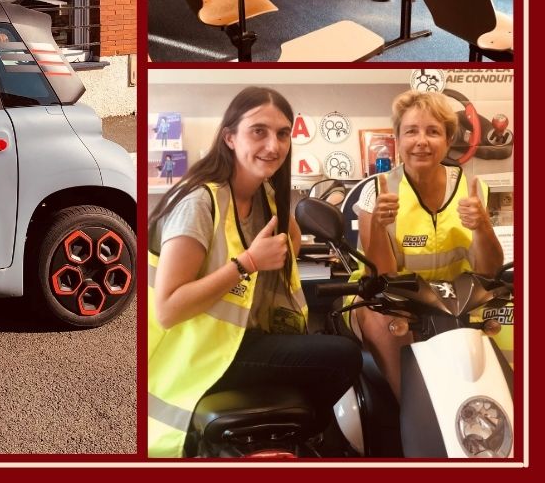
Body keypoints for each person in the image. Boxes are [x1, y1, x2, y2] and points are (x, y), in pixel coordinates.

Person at [147, 87, 362, 458]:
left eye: (282, 134)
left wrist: (282, 201)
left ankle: (286, 443)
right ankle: (306, 443)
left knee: (331, 348)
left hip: (238, 343)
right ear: (230, 137)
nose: (274, 145)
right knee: (343, 354)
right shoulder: (199, 201)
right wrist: (246, 263)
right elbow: (168, 308)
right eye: (258, 131)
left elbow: (288, 251)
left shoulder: (263, 196)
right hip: (197, 356)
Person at [351, 90, 504, 399]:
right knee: (386, 321)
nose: (421, 140)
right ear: (398, 139)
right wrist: (379, 227)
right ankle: (413, 408)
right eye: (411, 131)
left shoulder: (473, 190)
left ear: (448, 141)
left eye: (433, 131)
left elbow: (489, 270)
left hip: (453, 299)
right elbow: (383, 274)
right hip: (386, 298)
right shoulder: (376, 192)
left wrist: (482, 226)